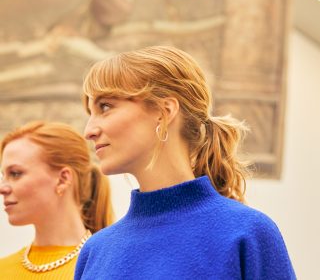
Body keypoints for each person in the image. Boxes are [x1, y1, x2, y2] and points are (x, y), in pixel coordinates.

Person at [76, 45, 296, 280]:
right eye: (90, 112)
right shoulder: (95, 252)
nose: (89, 130)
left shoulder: (246, 233)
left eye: (105, 107)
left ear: (164, 111)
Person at [0, 121, 114, 279]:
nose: (2, 188)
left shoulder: (109, 268)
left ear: (62, 179)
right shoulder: (3, 269)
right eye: (3, 175)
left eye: (15, 173)